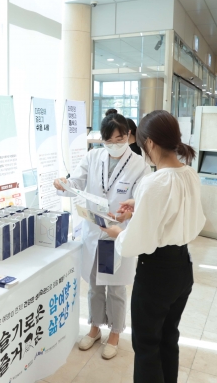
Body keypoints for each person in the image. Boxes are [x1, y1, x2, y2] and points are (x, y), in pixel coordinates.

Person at [102, 110, 205, 383]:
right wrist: (140, 204)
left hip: (156, 273)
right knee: (168, 339)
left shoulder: (155, 181)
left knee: (146, 346)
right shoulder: (189, 174)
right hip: (183, 267)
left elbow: (137, 242)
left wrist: (117, 233)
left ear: (149, 144)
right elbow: (188, 217)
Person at [53, 113, 150, 360]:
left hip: (118, 235)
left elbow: (143, 199)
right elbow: (75, 181)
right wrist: (63, 183)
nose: (113, 144)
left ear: (128, 135)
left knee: (116, 287)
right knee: (95, 285)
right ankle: (95, 327)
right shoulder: (93, 156)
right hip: (95, 233)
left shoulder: (140, 165)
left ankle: (115, 333)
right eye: (108, 140)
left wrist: (132, 209)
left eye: (118, 139)